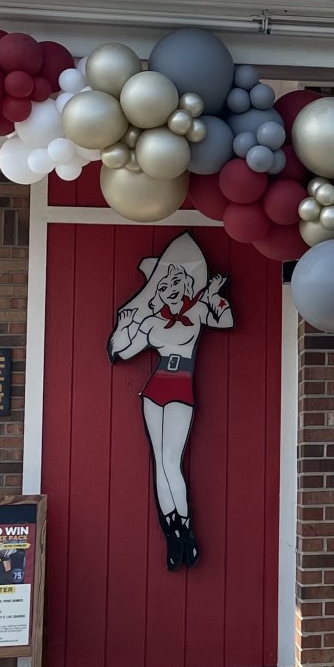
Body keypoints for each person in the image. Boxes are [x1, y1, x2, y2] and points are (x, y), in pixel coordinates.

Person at [107, 232, 233, 569]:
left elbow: (227, 320)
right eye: (163, 285)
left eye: (175, 282)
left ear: (185, 284)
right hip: (155, 388)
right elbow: (119, 351)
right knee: (158, 462)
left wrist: (217, 296)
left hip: (181, 387)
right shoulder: (151, 321)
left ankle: (185, 530)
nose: (169, 288)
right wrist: (124, 326)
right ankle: (173, 532)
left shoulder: (198, 311)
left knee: (170, 462)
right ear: (158, 290)